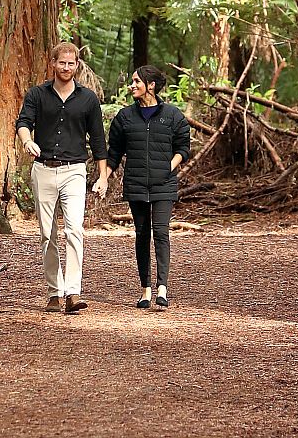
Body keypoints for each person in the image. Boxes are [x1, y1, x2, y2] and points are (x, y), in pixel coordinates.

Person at [16, 41, 109, 314]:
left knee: (74, 230)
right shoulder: (37, 94)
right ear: (53, 64)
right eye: (62, 63)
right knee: (48, 234)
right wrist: (27, 142)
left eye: (71, 63)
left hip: (74, 170)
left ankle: (73, 292)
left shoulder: (88, 99)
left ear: (76, 66)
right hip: (43, 169)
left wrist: (102, 175)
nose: (66, 68)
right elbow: (23, 123)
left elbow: (98, 139)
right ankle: (55, 291)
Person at [107, 64, 191, 310]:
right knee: (142, 235)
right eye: (132, 81)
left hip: (163, 184)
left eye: (137, 81)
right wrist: (104, 177)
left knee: (161, 232)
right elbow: (114, 152)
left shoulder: (172, 115)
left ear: (151, 85)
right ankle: (145, 289)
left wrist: (169, 166)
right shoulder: (125, 117)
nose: (132, 85)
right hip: (135, 183)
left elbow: (183, 147)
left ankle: (162, 288)